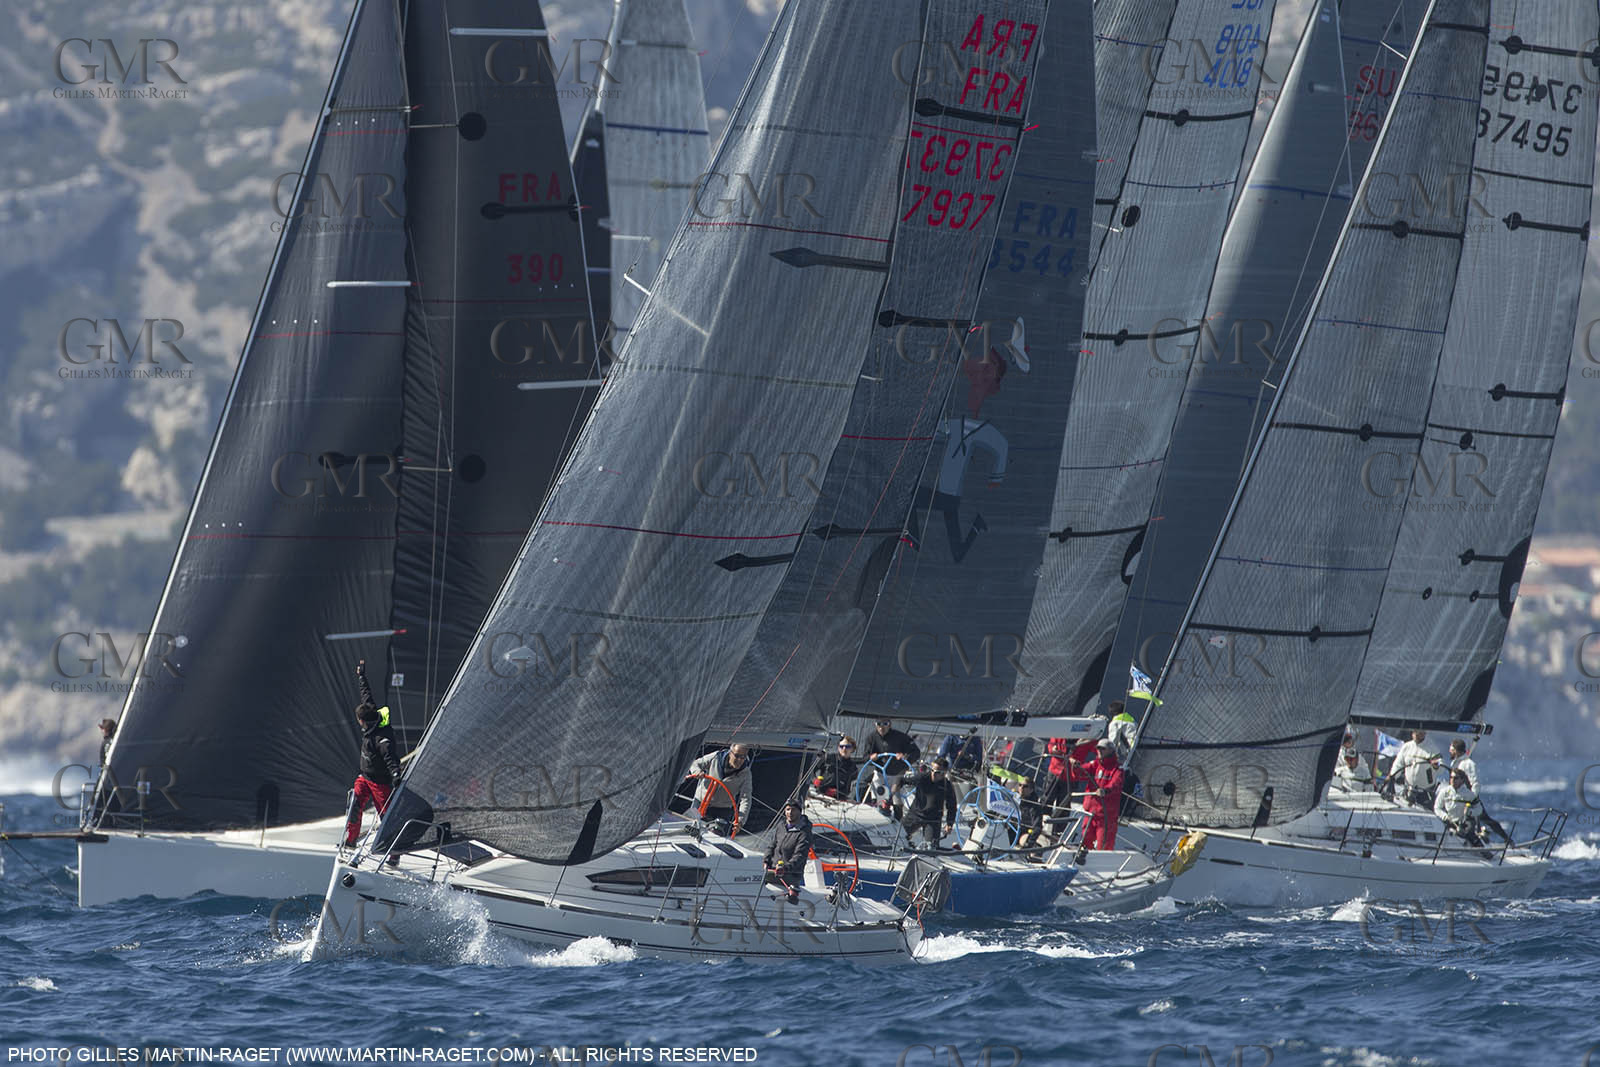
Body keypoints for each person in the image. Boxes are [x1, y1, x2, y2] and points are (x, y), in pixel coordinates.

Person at [345, 660, 403, 846]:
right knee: (355, 804)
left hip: (380, 783)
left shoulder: (381, 739)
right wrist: (361, 676)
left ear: (364, 722)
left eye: (358, 720)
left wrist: (395, 774)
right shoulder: (370, 712)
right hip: (365, 777)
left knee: (386, 817)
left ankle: (394, 852)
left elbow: (390, 757)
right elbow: (366, 695)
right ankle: (351, 840)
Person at [1073, 740, 1125, 855]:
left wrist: (1105, 791)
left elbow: (1116, 784)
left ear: (1111, 750)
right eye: (1098, 748)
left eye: (1103, 748)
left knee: (1104, 846)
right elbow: (1081, 773)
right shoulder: (1095, 764)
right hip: (1091, 813)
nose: (1099, 751)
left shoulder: (1117, 769)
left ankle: (1103, 866)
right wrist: (1076, 767)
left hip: (1106, 816)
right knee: (1085, 841)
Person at [684, 744, 753, 829]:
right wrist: (697, 771)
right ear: (730, 753)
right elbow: (695, 764)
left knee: (715, 835)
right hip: (700, 803)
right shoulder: (716, 757)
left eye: (743, 757)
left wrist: (740, 820)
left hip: (722, 811)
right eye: (737, 756)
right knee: (688, 828)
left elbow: (746, 799)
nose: (739, 760)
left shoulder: (746, 774)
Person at [863, 720, 921, 813]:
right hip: (880, 774)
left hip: (897, 775)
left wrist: (905, 756)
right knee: (881, 800)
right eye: (879, 724)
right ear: (875, 724)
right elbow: (865, 758)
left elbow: (916, 753)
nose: (882, 727)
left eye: (885, 723)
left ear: (890, 724)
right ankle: (880, 815)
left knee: (896, 801)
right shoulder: (871, 738)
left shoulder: (901, 737)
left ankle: (897, 820)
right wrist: (871, 758)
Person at [763, 798, 813, 904]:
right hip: (773, 870)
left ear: (800, 811)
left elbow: (799, 856)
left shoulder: (804, 832)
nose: (790, 813)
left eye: (793, 810)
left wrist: (785, 868)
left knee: (756, 877)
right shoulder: (781, 826)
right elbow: (771, 845)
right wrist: (766, 860)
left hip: (790, 875)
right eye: (788, 809)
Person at [900, 757, 958, 848]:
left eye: (938, 772)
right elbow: (903, 781)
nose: (934, 773)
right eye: (932, 770)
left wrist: (949, 823)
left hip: (933, 819)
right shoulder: (922, 777)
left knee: (931, 848)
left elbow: (952, 806)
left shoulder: (947, 785)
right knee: (898, 836)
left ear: (944, 774)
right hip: (916, 814)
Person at [1433, 767, 1489, 846]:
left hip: (1464, 823)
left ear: (1462, 780)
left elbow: (1479, 809)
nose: (1452, 780)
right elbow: (1437, 808)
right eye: (1451, 777)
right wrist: (1444, 816)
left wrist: (1470, 812)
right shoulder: (1444, 792)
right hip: (1450, 821)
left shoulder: (1469, 794)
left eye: (1456, 778)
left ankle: (1482, 850)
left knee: (1468, 832)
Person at [1389, 730, 1439, 808]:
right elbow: (1398, 764)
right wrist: (1392, 776)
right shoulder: (1406, 747)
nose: (1416, 734)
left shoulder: (1432, 748)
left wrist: (1436, 765)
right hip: (1408, 790)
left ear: (1424, 733)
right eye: (1415, 732)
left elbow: (1441, 764)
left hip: (1425, 793)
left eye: (1419, 732)